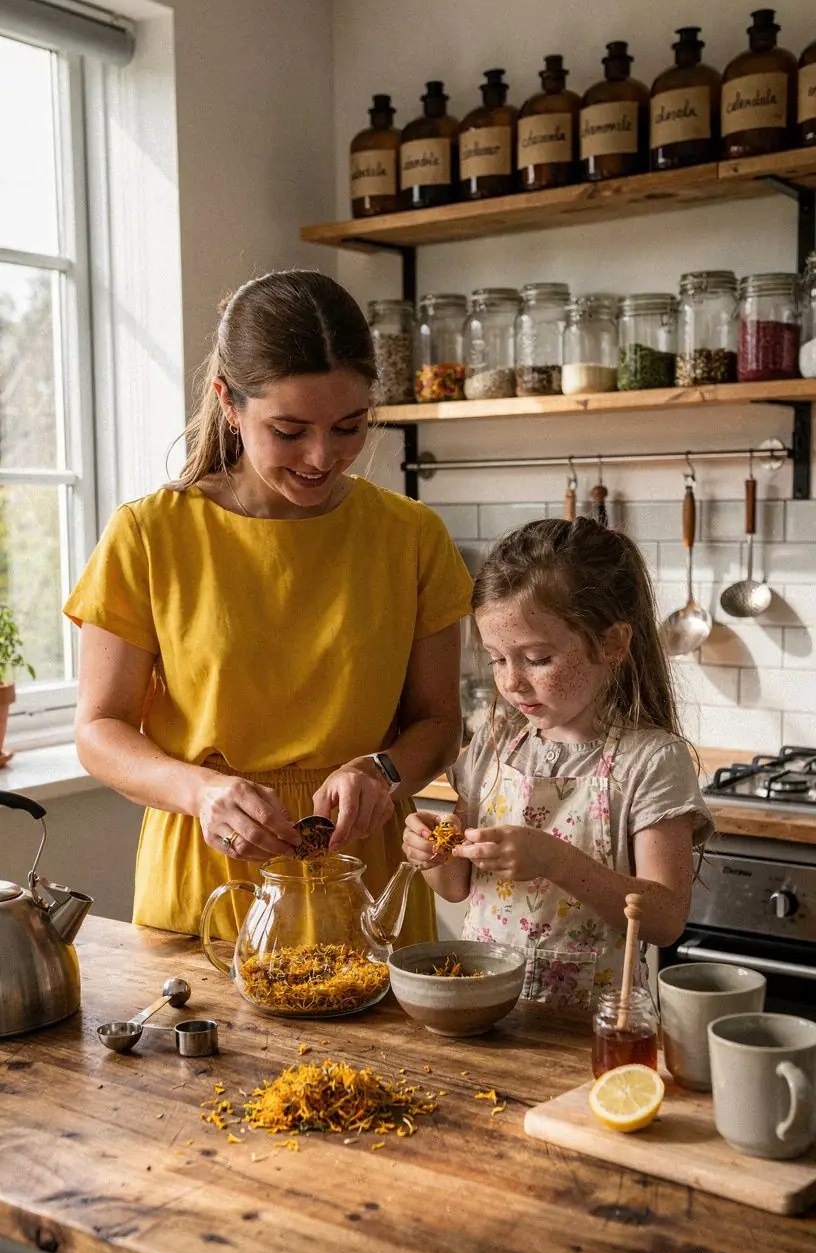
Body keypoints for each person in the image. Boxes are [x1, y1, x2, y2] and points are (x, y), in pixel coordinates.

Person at [65, 270, 472, 942]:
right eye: (288, 430)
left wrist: (385, 771)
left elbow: (438, 721)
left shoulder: (412, 536)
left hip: (363, 872)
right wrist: (202, 793)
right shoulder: (150, 534)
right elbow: (98, 729)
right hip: (208, 874)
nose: (322, 457)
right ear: (229, 402)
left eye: (349, 427)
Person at [403, 517, 713, 1007]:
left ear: (612, 644)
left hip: (593, 1028)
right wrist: (432, 855)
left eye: (537, 659)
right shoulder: (496, 744)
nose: (512, 682)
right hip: (485, 1012)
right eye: (497, 659)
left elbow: (665, 919)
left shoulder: (651, 762)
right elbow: (456, 887)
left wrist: (555, 861)